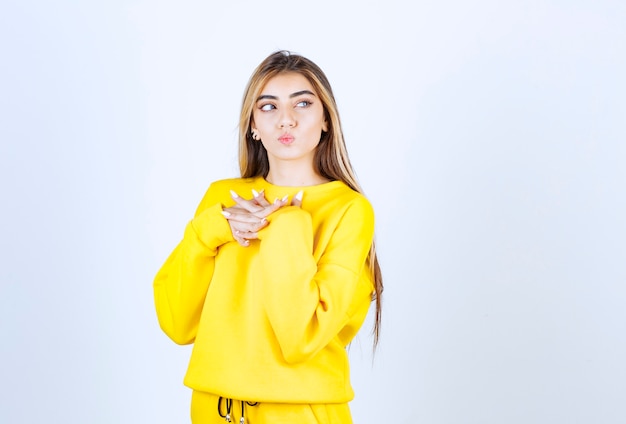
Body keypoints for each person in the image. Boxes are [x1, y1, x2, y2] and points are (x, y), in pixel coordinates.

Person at [153, 50, 383, 424]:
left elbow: (302, 338)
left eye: (303, 104)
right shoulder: (222, 199)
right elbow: (177, 322)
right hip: (215, 408)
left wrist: (287, 225)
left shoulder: (349, 209)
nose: (286, 119)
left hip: (299, 412)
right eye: (269, 106)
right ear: (253, 124)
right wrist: (209, 231)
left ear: (326, 120)